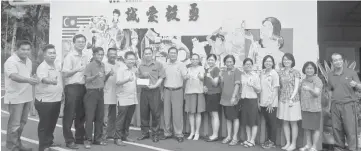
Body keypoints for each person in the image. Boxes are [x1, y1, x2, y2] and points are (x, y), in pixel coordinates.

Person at [4, 40, 39, 151]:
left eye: (28, 49)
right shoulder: (11, 61)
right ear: (17, 49)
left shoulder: (28, 61)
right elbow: (13, 76)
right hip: (15, 98)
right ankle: (11, 147)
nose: (26, 52)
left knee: (22, 123)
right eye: (23, 49)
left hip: (26, 97)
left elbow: (27, 75)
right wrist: (29, 80)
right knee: (14, 125)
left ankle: (18, 145)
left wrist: (33, 78)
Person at [327, 53, 361, 151]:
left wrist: (356, 85)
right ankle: (338, 148)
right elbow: (330, 90)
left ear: (342, 60)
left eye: (339, 59)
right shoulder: (330, 75)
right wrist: (329, 105)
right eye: (335, 60)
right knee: (337, 129)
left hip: (349, 105)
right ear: (332, 63)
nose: (338, 62)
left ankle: (352, 149)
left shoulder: (351, 72)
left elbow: (360, 88)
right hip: (335, 106)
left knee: (350, 130)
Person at [61, 34, 89, 149]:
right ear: (74, 43)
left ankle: (79, 138)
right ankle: (69, 140)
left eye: (83, 41)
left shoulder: (85, 56)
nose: (81, 43)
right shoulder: (70, 56)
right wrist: (76, 70)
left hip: (83, 87)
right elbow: (65, 73)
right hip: (72, 87)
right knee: (69, 114)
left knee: (81, 114)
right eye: (79, 41)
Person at [34, 44, 63, 151]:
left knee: (52, 123)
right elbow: (43, 79)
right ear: (44, 55)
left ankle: (49, 142)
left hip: (56, 99)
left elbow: (59, 80)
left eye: (54, 53)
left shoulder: (56, 65)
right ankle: (43, 146)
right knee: (44, 124)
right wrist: (51, 81)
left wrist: (62, 92)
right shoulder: (42, 66)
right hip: (45, 101)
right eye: (50, 53)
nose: (52, 55)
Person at [137, 47, 165, 142]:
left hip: (155, 91)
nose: (147, 55)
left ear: (152, 54)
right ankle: (145, 133)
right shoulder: (141, 66)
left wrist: (154, 86)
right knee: (144, 113)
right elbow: (138, 79)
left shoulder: (158, 65)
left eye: (149, 53)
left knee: (155, 113)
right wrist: (142, 76)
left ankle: (155, 134)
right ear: (143, 55)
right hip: (144, 92)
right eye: (146, 53)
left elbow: (161, 78)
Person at [162, 47, 189, 143]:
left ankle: (179, 134)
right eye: (171, 53)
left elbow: (185, 77)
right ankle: (167, 133)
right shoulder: (164, 65)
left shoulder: (181, 65)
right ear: (168, 54)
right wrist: (162, 92)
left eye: (174, 53)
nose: (172, 54)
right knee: (166, 113)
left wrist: (187, 76)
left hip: (178, 91)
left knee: (177, 114)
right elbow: (162, 79)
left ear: (177, 54)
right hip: (167, 90)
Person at [83, 47, 106, 149]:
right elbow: (86, 80)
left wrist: (108, 74)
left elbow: (103, 79)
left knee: (99, 117)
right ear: (94, 55)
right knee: (89, 117)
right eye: (98, 54)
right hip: (91, 93)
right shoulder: (90, 66)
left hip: (100, 92)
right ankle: (87, 140)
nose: (100, 56)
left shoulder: (103, 65)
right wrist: (96, 76)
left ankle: (97, 139)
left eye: (102, 54)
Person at [277, 53, 302, 151]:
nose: (286, 61)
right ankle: (288, 143)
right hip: (283, 99)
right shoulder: (280, 72)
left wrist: (291, 98)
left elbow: (296, 87)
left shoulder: (296, 72)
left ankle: (293, 144)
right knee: (285, 121)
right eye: (284, 59)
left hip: (293, 100)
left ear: (292, 61)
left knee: (293, 122)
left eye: (288, 60)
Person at [114, 51, 138, 146]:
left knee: (128, 119)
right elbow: (118, 82)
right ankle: (117, 138)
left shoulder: (133, 69)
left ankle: (125, 135)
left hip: (132, 98)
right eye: (130, 59)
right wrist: (128, 79)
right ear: (125, 60)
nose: (132, 61)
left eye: (133, 59)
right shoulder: (121, 70)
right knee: (121, 119)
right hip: (123, 98)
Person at [299, 61, 323, 151]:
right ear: (304, 70)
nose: (309, 70)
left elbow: (316, 93)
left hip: (314, 108)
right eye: (307, 68)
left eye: (311, 68)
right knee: (307, 127)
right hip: (305, 107)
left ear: (314, 70)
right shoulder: (303, 80)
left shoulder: (317, 80)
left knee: (315, 128)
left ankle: (314, 146)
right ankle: (308, 145)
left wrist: (309, 89)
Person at [219, 54, 242, 146]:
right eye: (227, 62)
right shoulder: (224, 72)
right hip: (224, 99)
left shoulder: (237, 71)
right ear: (224, 62)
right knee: (228, 118)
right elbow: (222, 85)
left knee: (235, 118)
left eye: (230, 61)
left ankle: (235, 137)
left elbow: (237, 85)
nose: (228, 63)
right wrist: (220, 77)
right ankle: (229, 136)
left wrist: (233, 96)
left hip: (234, 99)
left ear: (233, 62)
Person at [239, 58, 261, 148]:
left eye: (250, 64)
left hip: (252, 100)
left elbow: (259, 90)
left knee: (253, 121)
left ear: (252, 65)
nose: (248, 65)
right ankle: (248, 139)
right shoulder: (242, 75)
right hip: (244, 100)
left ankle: (252, 140)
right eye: (246, 64)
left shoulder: (255, 75)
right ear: (243, 66)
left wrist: (253, 85)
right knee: (247, 121)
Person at [259, 55, 280, 149]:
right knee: (267, 122)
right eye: (266, 61)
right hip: (263, 102)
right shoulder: (262, 73)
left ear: (273, 63)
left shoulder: (274, 73)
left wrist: (271, 103)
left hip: (271, 103)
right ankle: (269, 140)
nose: (268, 63)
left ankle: (272, 142)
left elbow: (276, 89)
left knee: (272, 123)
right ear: (263, 63)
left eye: (270, 61)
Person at [185, 53, 206, 141]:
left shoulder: (201, 68)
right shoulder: (188, 69)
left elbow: (202, 78)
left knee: (198, 113)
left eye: (196, 59)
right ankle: (192, 132)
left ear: (199, 60)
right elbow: (184, 78)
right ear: (190, 60)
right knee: (191, 113)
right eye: (193, 59)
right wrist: (186, 76)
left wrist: (199, 76)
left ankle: (197, 132)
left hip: (198, 92)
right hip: (189, 92)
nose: (194, 61)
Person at [203, 54, 222, 142]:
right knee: (212, 115)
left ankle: (215, 135)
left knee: (215, 115)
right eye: (209, 60)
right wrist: (204, 87)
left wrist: (210, 77)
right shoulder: (207, 69)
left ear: (215, 61)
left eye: (212, 60)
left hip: (215, 94)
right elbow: (206, 83)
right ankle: (214, 134)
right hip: (208, 94)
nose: (210, 61)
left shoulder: (216, 69)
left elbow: (215, 83)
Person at [102, 48, 118, 142]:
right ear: (107, 55)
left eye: (114, 54)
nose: (113, 55)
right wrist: (108, 74)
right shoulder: (103, 65)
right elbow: (101, 79)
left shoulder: (119, 65)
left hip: (116, 95)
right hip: (106, 94)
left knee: (113, 116)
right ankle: (102, 136)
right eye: (111, 54)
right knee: (105, 117)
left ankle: (110, 134)